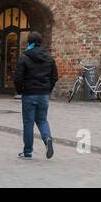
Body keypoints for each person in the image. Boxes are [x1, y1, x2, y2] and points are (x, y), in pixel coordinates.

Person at [12, 31, 59, 160]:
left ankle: (27, 152)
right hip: (43, 95)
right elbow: (55, 76)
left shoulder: (24, 57)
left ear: (29, 42)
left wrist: (20, 90)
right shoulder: (49, 57)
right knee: (42, 120)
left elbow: (18, 77)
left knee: (28, 123)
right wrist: (48, 89)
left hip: (29, 94)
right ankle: (47, 138)